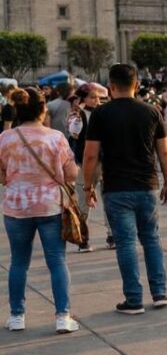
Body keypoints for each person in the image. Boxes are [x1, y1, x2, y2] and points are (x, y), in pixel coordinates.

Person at [83, 64, 167, 315]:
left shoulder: (101, 114)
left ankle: (133, 299)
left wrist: (87, 186)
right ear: (136, 85)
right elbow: (164, 152)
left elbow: (90, 155)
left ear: (111, 86)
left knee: (125, 243)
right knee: (152, 239)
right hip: (147, 185)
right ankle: (159, 293)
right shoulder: (153, 111)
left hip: (116, 187)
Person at [0, 87, 80, 334]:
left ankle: (17, 316)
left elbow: (1, 175)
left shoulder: (5, 139)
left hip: (16, 207)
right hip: (50, 206)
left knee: (18, 263)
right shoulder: (56, 137)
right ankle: (62, 316)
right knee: (56, 261)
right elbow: (70, 174)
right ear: (43, 109)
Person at [68, 83, 106, 253]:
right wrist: (77, 114)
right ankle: (83, 239)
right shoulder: (78, 116)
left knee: (109, 199)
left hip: (105, 161)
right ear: (82, 100)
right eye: (92, 97)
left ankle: (112, 235)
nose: (97, 100)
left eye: (98, 97)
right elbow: (74, 133)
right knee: (84, 202)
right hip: (86, 162)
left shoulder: (104, 112)